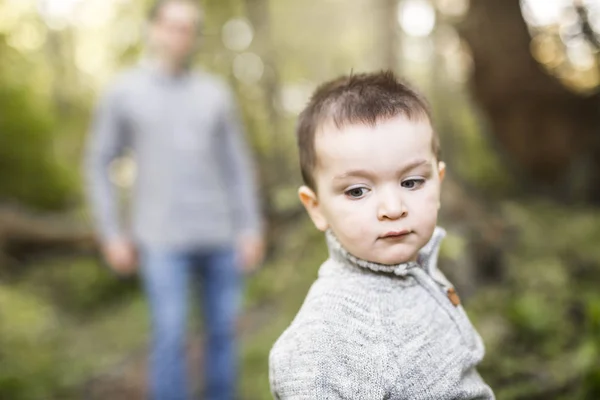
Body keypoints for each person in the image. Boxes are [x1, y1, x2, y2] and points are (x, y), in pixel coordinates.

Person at [268, 71, 494, 399]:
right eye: (358, 191)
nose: (392, 207)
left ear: (439, 183)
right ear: (316, 207)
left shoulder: (419, 265)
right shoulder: (325, 339)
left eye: (412, 182)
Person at [84, 1, 264, 399]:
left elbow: (237, 166)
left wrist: (250, 228)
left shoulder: (215, 93)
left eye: (190, 28)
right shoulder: (123, 92)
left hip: (220, 236)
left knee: (222, 335)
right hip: (160, 239)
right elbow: (98, 162)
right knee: (169, 337)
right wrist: (111, 233)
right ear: (153, 29)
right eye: (173, 25)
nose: (181, 34)